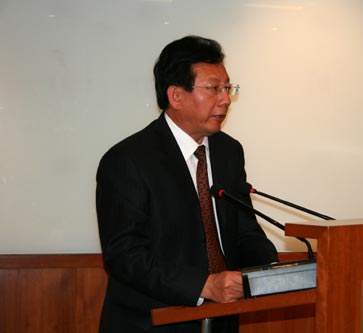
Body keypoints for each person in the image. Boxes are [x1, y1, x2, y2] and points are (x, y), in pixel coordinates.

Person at [95, 35, 278, 333]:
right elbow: (124, 254)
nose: (226, 99)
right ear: (176, 96)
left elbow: (244, 232)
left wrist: (270, 272)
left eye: (227, 87)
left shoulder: (229, 152)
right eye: (213, 88)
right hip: (152, 322)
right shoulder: (127, 160)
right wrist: (204, 285)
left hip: (221, 321)